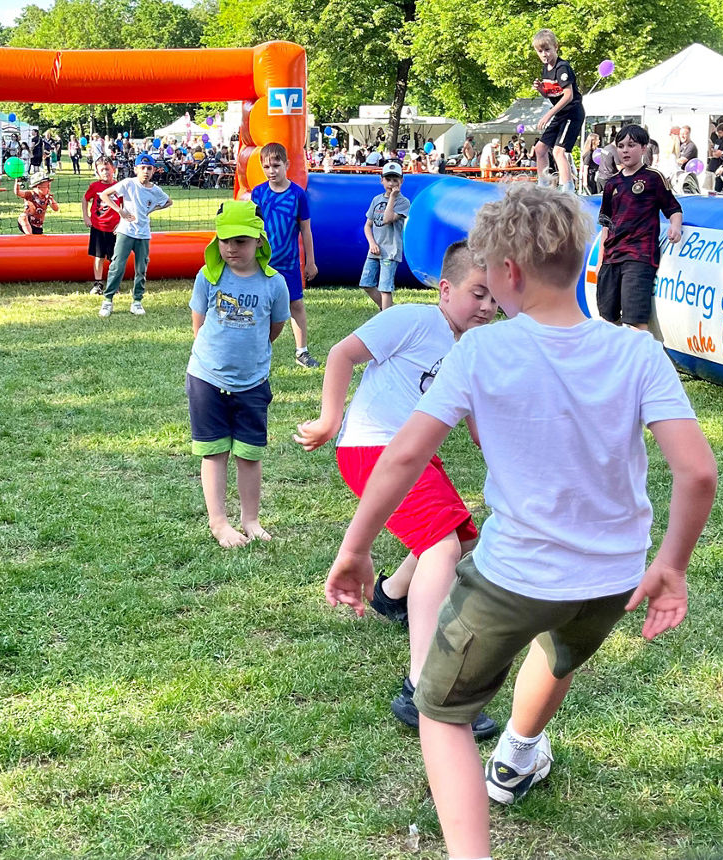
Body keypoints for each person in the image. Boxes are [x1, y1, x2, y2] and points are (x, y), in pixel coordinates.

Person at [323, 182, 718, 857]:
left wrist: (356, 548)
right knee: (558, 648)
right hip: (613, 579)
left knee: (442, 713)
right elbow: (698, 473)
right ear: (585, 256)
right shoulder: (638, 351)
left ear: (506, 272)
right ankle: (517, 754)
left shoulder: (481, 351)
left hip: (514, 577)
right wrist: (672, 566)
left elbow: (403, 456)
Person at [296, 240, 500, 738]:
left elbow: (477, 421)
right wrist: (329, 419)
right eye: (478, 293)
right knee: (441, 548)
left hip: (412, 454)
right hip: (373, 448)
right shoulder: (414, 319)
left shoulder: (472, 349)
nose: (487, 306)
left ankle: (391, 596)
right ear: (445, 289)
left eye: (495, 297)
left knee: (464, 540)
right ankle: (423, 688)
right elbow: (343, 353)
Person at [186, 201, 290, 548]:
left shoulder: (275, 284)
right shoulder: (207, 277)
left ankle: (250, 520)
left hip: (253, 383)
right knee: (214, 452)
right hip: (206, 379)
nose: (232, 248)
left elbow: (274, 327)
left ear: (259, 240)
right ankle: (218, 523)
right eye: (225, 240)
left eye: (241, 241)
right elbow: (199, 324)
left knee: (249, 453)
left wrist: (250, 357)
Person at [597, 125, 683, 331]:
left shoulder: (653, 178)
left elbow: (673, 208)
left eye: (631, 145)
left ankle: (639, 351)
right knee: (607, 317)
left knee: (634, 319)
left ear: (644, 148)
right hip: (612, 257)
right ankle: (616, 351)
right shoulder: (612, 184)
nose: (625, 150)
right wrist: (601, 261)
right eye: (621, 146)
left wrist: (675, 226)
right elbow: (606, 225)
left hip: (639, 256)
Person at [251, 142, 321, 368]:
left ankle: (302, 352)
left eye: (276, 166)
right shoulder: (258, 193)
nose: (271, 171)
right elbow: (252, 226)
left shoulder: (297, 194)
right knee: (259, 306)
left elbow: (306, 230)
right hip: (262, 263)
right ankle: (256, 349)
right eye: (266, 167)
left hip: (289, 263)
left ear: (287, 165)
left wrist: (310, 262)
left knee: (296, 305)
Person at [99, 152, 172, 318]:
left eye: (149, 168)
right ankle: (108, 300)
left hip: (143, 233)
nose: (146, 171)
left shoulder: (155, 190)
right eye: (143, 168)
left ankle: (137, 301)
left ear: (154, 171)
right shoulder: (128, 183)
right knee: (117, 265)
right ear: (136, 169)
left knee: (141, 268)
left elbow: (168, 201)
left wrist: (150, 209)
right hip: (126, 231)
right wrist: (120, 211)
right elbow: (104, 194)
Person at [531, 30, 584, 193]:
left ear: (556, 47)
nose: (544, 55)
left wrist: (548, 114)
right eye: (540, 51)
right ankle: (543, 185)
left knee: (558, 151)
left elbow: (568, 95)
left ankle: (568, 188)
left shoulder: (562, 68)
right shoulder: (546, 69)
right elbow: (552, 94)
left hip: (572, 113)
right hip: (560, 114)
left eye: (547, 50)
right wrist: (542, 90)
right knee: (540, 149)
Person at [360, 162, 411, 311]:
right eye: (388, 179)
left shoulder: (403, 202)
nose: (391, 183)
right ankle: (388, 311)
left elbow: (387, 219)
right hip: (375, 250)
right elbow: (368, 225)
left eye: (395, 180)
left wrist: (393, 197)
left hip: (390, 251)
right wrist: (372, 243)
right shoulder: (376, 200)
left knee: (385, 288)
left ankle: (386, 315)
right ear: (381, 180)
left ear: (402, 181)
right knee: (366, 283)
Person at [82, 157, 120, 295]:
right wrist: (86, 216)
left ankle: (114, 284)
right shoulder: (95, 186)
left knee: (114, 257)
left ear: (113, 169)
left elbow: (125, 205)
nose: (105, 172)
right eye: (102, 170)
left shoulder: (119, 187)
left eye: (107, 169)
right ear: (97, 172)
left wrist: (121, 223)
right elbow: (85, 199)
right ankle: (98, 284)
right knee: (99, 256)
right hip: (98, 227)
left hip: (114, 228)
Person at [14, 170, 59, 235]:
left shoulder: (46, 198)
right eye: (47, 186)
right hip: (27, 222)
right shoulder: (30, 194)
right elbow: (18, 192)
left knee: (38, 238)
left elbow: (56, 209)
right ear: (38, 187)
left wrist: (51, 200)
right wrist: (17, 183)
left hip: (38, 226)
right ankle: (30, 236)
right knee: (23, 216)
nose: (49, 189)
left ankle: (32, 238)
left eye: (49, 186)